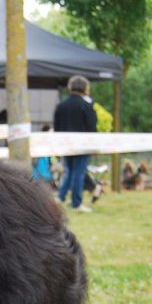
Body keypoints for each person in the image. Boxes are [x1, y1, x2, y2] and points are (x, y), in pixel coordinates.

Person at [53, 75, 98, 213]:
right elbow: (92, 126)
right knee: (78, 173)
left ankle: (60, 197)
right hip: (82, 145)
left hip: (66, 144)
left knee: (69, 171)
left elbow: (57, 127)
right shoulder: (87, 105)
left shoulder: (61, 105)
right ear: (85, 88)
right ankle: (76, 203)